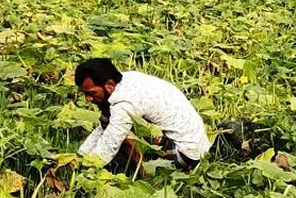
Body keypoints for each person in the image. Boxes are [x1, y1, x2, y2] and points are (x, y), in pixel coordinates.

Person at [74, 58, 211, 169]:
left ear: (109, 85)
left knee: (124, 134)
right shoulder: (126, 79)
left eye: (91, 93)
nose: (88, 99)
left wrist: (86, 168)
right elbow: (104, 126)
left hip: (186, 155)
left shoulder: (124, 103)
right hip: (197, 146)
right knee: (110, 120)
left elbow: (110, 142)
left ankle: (145, 176)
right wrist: (81, 155)